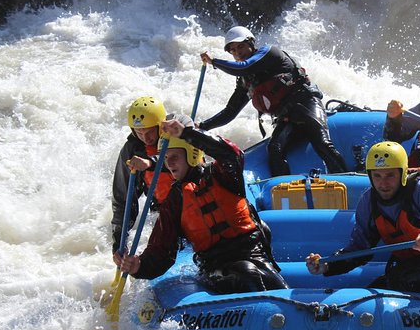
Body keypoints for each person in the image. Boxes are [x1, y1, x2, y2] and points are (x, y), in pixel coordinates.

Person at [117, 116, 289, 294]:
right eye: (166, 157)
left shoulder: (223, 176)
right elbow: (161, 251)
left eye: (174, 157)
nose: (169, 163)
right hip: (215, 265)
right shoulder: (174, 201)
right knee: (247, 272)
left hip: (253, 252)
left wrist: (187, 133)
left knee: (271, 280)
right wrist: (139, 266)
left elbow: (231, 153)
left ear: (192, 154)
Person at [305, 141, 420, 293]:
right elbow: (360, 249)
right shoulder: (368, 202)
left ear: (402, 174)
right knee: (381, 286)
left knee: (405, 279)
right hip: (410, 267)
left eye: (390, 175)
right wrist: (328, 265)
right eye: (377, 176)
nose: (383, 183)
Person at [198, 26, 347, 176]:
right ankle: (283, 190)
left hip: (306, 104)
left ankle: (345, 179)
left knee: (322, 143)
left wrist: (214, 61)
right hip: (287, 118)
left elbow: (244, 67)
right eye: (233, 50)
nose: (238, 52)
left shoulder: (269, 53)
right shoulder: (245, 81)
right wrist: (202, 127)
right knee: (274, 149)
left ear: (251, 43)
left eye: (241, 46)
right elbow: (230, 111)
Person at [111, 96, 180, 256]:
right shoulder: (131, 150)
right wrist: (118, 242)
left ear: (160, 125)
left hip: (193, 199)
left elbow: (187, 163)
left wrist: (150, 162)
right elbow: (122, 199)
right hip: (165, 210)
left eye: (149, 132)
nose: (145, 138)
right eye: (139, 132)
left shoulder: (177, 132)